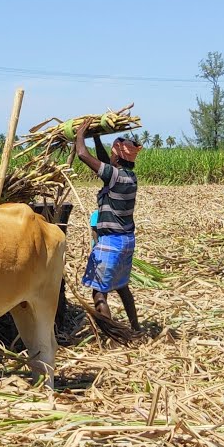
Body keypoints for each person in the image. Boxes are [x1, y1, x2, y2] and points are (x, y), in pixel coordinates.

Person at [74, 120, 143, 332]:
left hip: (111, 242)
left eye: (113, 153)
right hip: (126, 241)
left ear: (118, 158)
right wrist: (96, 137)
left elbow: (83, 155)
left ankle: (112, 335)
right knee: (122, 287)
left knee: (98, 293)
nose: (110, 157)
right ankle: (136, 328)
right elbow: (105, 162)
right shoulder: (128, 177)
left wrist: (80, 135)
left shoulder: (114, 176)